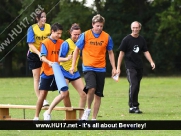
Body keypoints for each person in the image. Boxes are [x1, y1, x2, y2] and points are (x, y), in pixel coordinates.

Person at [69, 14, 117, 120]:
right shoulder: (85, 35)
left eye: (101, 26)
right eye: (97, 26)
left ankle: (94, 119)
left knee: (98, 95)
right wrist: (73, 65)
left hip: (101, 68)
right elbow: (77, 50)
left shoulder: (106, 37)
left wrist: (114, 68)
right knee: (91, 88)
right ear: (93, 24)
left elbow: (110, 52)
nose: (99, 28)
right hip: (88, 67)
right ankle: (88, 109)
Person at [116, 21, 155, 114]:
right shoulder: (126, 39)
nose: (135, 29)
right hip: (130, 66)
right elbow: (121, 54)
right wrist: (118, 67)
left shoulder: (141, 40)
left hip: (139, 66)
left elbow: (146, 51)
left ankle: (134, 107)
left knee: (136, 86)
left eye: (137, 27)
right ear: (131, 28)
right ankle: (133, 106)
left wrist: (151, 61)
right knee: (134, 84)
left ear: (139, 28)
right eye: (133, 27)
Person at [33, 23, 68, 120]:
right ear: (52, 31)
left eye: (60, 34)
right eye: (57, 33)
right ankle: (36, 117)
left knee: (65, 94)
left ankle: (50, 113)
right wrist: (49, 62)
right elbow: (42, 57)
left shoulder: (62, 42)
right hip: (47, 72)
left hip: (59, 72)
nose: (59, 36)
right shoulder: (45, 43)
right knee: (43, 94)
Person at [58, 23, 86, 119]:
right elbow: (59, 59)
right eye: (75, 34)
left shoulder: (80, 43)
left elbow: (82, 56)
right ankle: (69, 116)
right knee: (65, 94)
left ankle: (81, 118)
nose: (77, 36)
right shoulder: (66, 43)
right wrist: (67, 58)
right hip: (64, 71)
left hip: (74, 72)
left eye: (79, 34)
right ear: (70, 33)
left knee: (84, 93)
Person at [27, 10, 50, 106]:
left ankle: (44, 98)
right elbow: (31, 44)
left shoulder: (49, 27)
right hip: (34, 54)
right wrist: (39, 53)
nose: (44, 18)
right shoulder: (32, 28)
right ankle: (41, 100)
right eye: (42, 17)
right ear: (37, 18)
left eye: (45, 16)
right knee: (37, 78)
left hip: (45, 54)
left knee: (45, 76)